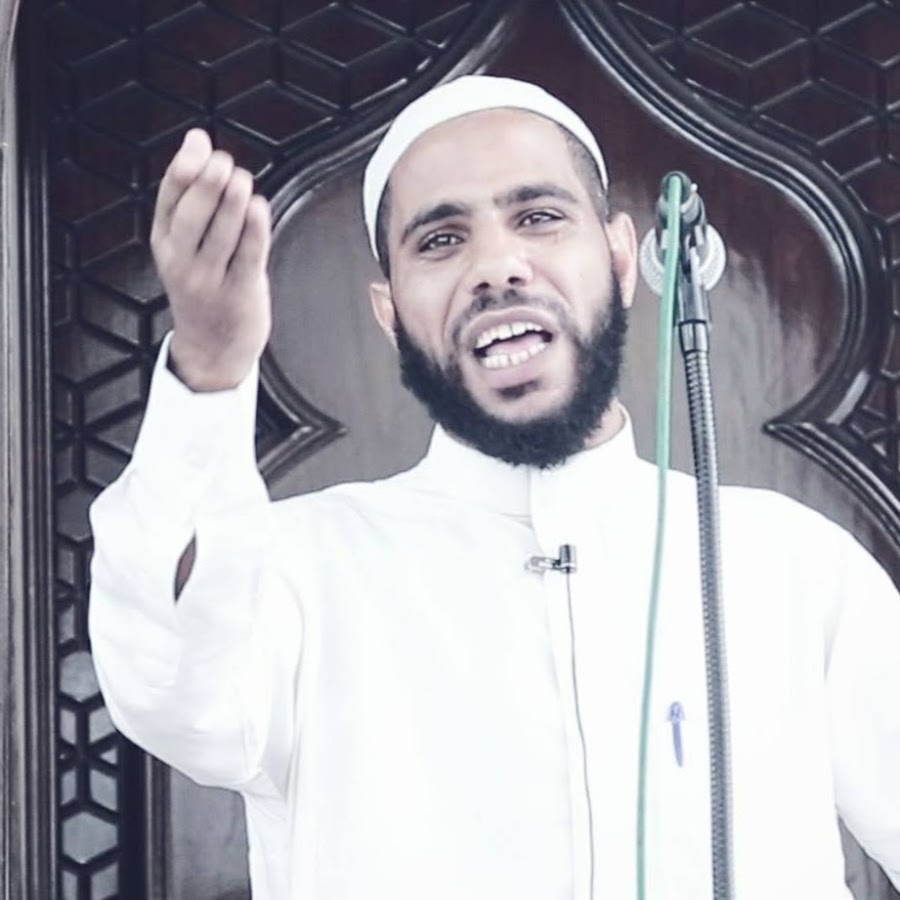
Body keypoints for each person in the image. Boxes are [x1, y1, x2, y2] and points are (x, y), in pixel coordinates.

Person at [88, 76, 900, 900]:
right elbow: (169, 688)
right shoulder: (299, 569)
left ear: (621, 260)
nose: (496, 268)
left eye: (539, 217)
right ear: (390, 314)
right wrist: (212, 366)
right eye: (441, 240)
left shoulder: (791, 563)